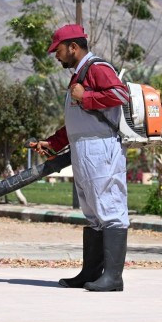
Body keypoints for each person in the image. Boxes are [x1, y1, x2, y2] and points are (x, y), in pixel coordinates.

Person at [30, 24, 130, 292]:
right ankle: (91, 273)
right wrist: (52, 142)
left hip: (101, 149)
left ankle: (113, 278)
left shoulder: (97, 68)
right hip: (83, 148)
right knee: (93, 212)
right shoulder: (78, 75)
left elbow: (121, 94)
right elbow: (77, 121)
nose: (56, 56)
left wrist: (87, 96)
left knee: (110, 209)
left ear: (73, 47)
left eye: (59, 50)